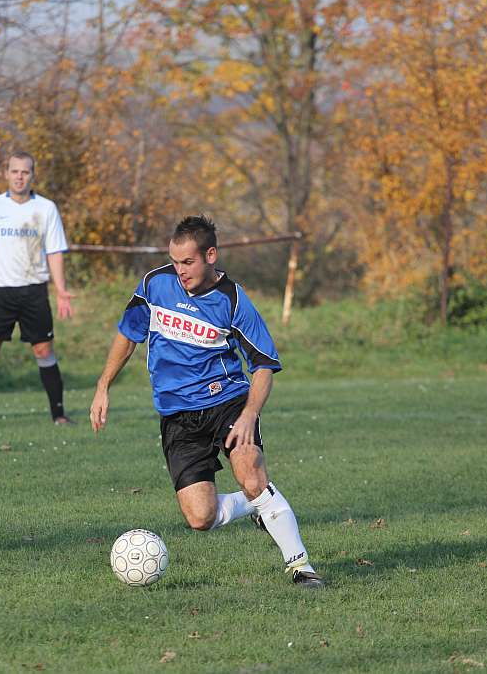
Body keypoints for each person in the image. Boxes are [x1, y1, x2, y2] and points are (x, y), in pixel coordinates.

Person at [89, 216, 325, 588]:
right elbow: (128, 334)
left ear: (210, 255)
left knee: (251, 473)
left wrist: (250, 414)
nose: (180, 271)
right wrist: (103, 385)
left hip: (227, 404)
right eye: (175, 261)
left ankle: (301, 567)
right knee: (201, 517)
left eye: (188, 262)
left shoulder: (232, 301)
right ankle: (259, 505)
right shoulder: (155, 284)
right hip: (177, 415)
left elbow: (263, 366)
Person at [0, 152, 74, 426]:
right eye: (15, 171)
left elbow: (54, 252)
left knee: (44, 351)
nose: (20, 176)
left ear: (33, 175)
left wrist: (61, 290)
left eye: (25, 172)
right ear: (6, 173)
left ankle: (59, 416)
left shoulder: (46, 208)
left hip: (34, 291)